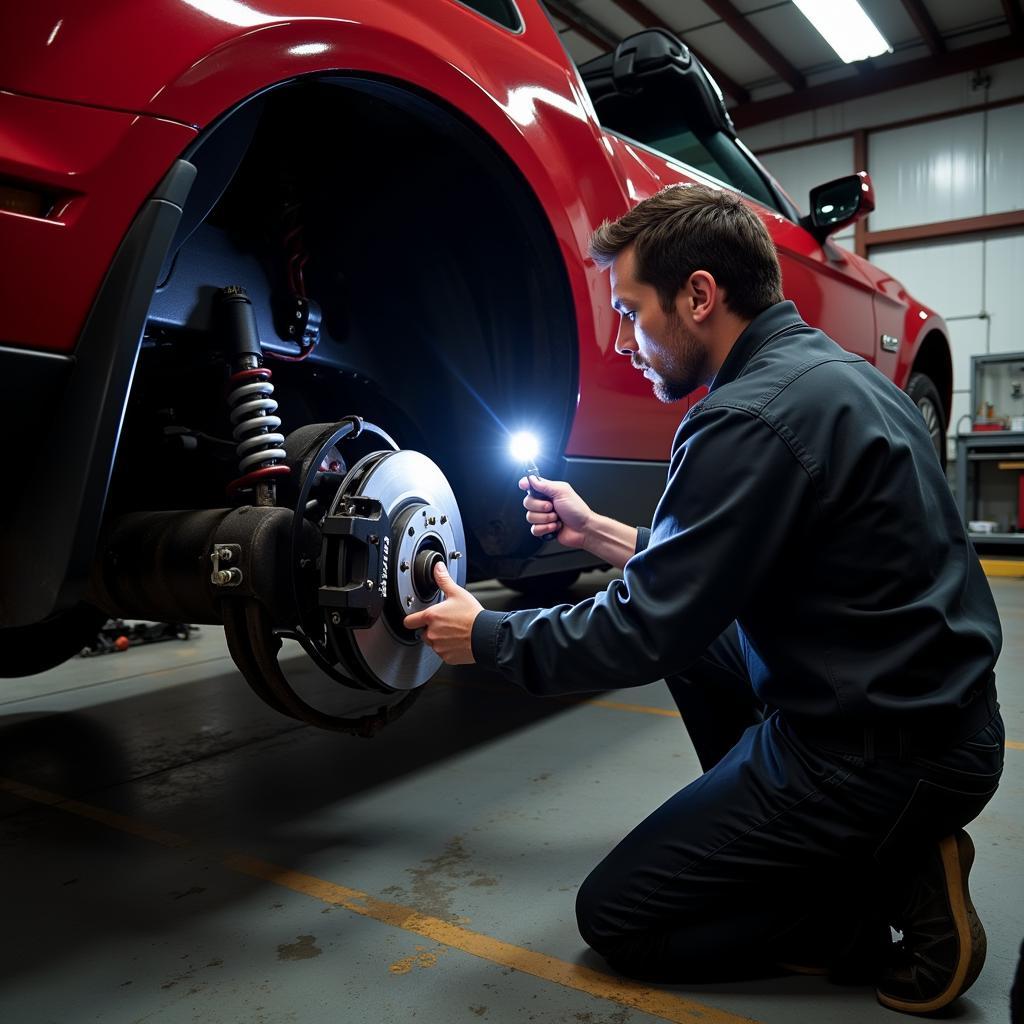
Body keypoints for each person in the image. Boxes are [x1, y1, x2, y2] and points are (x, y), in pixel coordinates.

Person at [403, 184, 1004, 1015]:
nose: (622, 342)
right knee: (702, 644)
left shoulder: (743, 417)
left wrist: (491, 635)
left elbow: (643, 630)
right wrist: (597, 533)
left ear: (699, 295)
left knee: (618, 917)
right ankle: (828, 850)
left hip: (876, 756)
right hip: (942, 724)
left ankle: (871, 899)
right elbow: (710, 571)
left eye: (630, 310)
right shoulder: (836, 379)